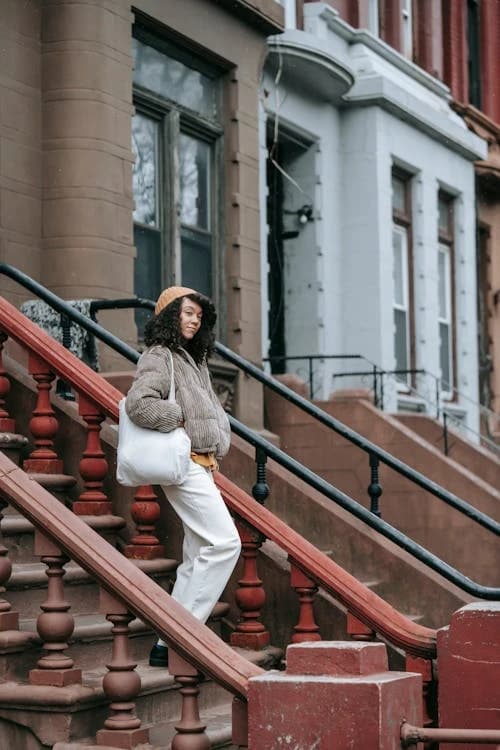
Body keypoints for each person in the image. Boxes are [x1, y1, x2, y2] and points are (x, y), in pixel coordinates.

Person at [125, 286, 241, 667]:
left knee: (196, 556)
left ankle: (165, 643)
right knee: (225, 544)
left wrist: (218, 433)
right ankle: (184, 634)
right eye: (186, 312)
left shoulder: (194, 359)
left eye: (198, 315)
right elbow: (141, 404)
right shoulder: (160, 356)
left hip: (204, 463)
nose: (193, 320)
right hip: (184, 463)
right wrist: (182, 419)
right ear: (168, 314)